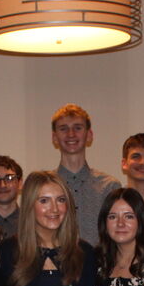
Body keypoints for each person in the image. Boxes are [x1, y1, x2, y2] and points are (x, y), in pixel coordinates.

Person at [50, 103, 121, 242]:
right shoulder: (45, 187)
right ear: (54, 137)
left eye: (77, 128)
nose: (71, 134)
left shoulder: (109, 187)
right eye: (63, 128)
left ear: (89, 135)